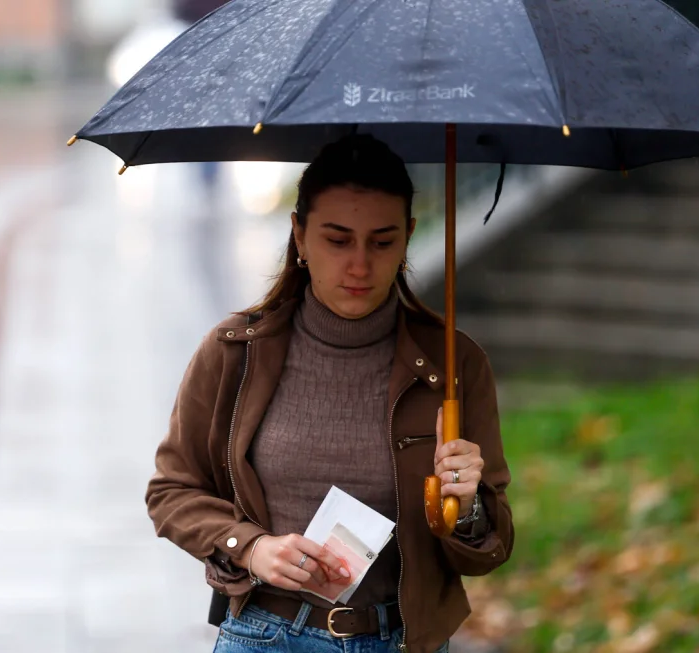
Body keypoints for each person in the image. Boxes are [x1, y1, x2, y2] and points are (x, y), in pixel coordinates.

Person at [145, 135, 515, 653]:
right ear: (299, 234)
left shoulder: (454, 364)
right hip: (265, 636)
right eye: (338, 240)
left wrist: (467, 503)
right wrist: (251, 548)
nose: (360, 265)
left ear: (409, 235)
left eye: (382, 241)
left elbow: (488, 551)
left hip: (402, 641)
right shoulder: (236, 352)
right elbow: (171, 491)